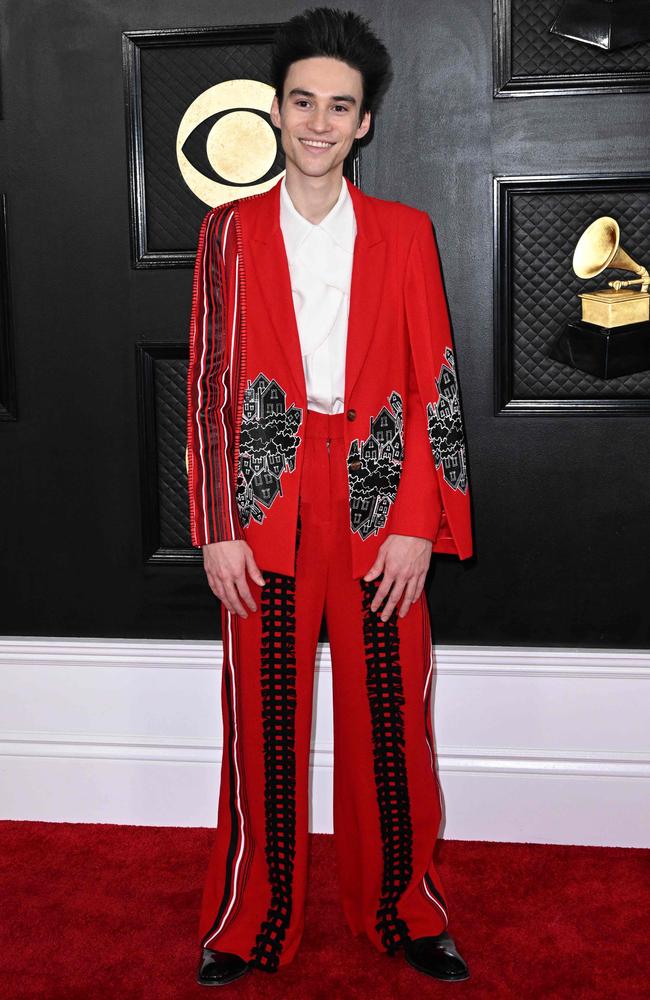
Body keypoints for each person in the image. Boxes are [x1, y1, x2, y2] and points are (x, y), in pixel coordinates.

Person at [186, 5, 473, 987]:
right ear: (276, 110)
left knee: (389, 718)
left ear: (363, 124)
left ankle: (404, 908)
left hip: (378, 490)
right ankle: (245, 921)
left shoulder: (404, 234)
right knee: (260, 725)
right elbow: (209, 390)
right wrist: (217, 529)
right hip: (265, 499)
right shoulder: (225, 233)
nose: (317, 120)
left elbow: (433, 381)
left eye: (337, 105)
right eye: (301, 100)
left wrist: (418, 525)